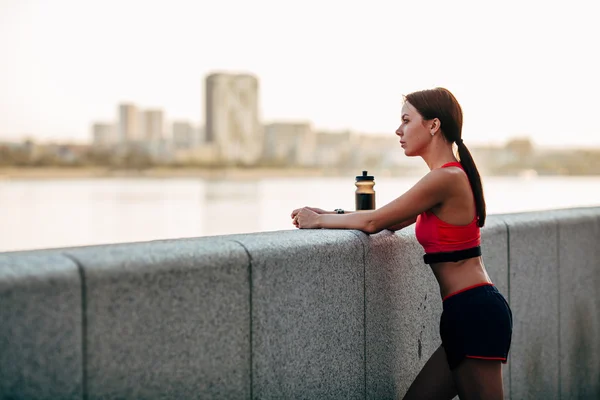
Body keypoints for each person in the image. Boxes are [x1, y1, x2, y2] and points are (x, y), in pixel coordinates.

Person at [290, 87, 513, 400]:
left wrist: (318, 222)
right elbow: (391, 219)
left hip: (475, 313)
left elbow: (373, 222)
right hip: (464, 312)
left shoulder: (445, 178)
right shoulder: (444, 177)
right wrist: (331, 213)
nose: (398, 130)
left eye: (407, 120)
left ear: (433, 125)